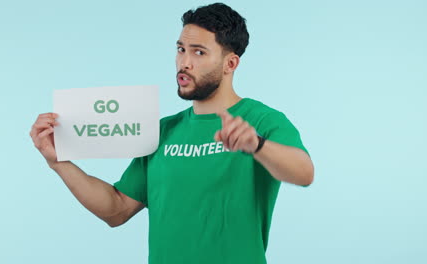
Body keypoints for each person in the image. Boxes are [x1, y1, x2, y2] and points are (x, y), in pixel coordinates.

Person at [30, 3, 314, 264]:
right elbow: (116, 210)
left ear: (230, 64)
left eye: (199, 52)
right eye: (181, 49)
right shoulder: (163, 131)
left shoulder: (261, 120)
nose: (184, 63)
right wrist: (59, 162)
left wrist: (257, 145)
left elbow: (304, 173)